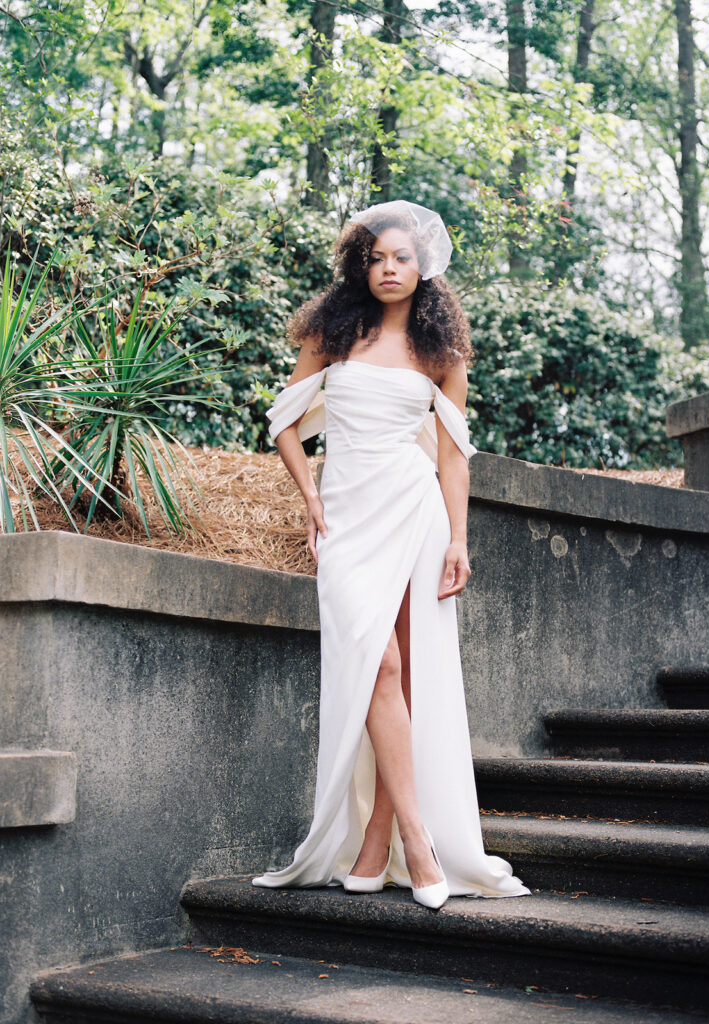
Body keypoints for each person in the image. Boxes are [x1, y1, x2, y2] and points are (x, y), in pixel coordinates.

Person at [251, 200, 530, 909]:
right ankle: (414, 837)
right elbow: (283, 421)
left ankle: (376, 848)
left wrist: (460, 540)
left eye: (400, 258)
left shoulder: (441, 354)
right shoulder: (332, 334)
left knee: (406, 681)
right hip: (346, 516)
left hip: (415, 513)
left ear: (424, 267)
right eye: (375, 258)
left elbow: (454, 460)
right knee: (376, 663)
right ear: (360, 267)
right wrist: (309, 499)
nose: (387, 269)